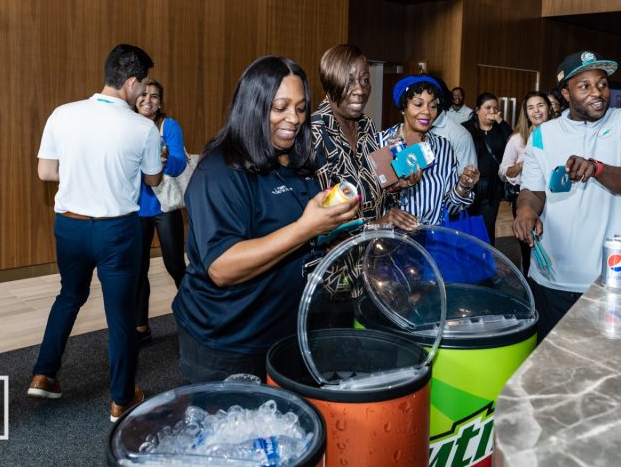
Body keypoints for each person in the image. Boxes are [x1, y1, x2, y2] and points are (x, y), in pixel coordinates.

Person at [172, 56, 358, 384]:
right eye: (280, 107)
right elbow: (222, 268)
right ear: (253, 107)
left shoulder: (295, 162)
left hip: (286, 331)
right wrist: (307, 227)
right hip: (230, 341)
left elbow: (296, 237)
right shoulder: (219, 172)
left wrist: (331, 226)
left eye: (301, 108)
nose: (294, 118)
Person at [30, 44, 162, 422]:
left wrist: (80, 170)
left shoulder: (63, 113)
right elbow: (152, 178)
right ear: (133, 81)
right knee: (120, 314)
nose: (143, 94)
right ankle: (121, 399)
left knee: (69, 295)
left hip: (69, 224)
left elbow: (46, 172)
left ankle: (44, 372)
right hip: (116, 230)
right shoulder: (142, 127)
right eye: (143, 86)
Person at [513, 51, 621, 340]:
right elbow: (532, 190)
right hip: (551, 275)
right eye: (585, 86)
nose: (597, 93)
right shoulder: (543, 134)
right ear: (565, 93)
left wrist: (597, 168)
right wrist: (526, 212)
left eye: (602, 84)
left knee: (604, 365)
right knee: (550, 362)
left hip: (612, 275)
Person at [310, 44, 418, 326]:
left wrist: (397, 185)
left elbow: (377, 187)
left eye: (365, 79)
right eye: (349, 81)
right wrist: (377, 223)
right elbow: (316, 225)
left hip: (372, 272)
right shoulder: (312, 135)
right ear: (330, 80)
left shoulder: (368, 126)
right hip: (333, 281)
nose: (360, 89)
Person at [378, 75, 479, 225]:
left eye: (433, 106)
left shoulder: (444, 148)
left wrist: (463, 186)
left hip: (430, 240)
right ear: (403, 108)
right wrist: (397, 187)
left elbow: (451, 207)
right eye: (418, 104)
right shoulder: (381, 142)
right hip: (390, 240)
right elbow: (368, 201)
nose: (427, 112)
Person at [133, 79, 187, 345]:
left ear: (160, 102)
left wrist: (165, 161)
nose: (148, 99)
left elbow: (179, 164)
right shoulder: (125, 125)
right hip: (133, 208)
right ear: (134, 97)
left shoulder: (169, 126)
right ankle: (141, 327)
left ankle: (195, 317)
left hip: (163, 205)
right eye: (143, 94)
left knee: (175, 265)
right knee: (137, 269)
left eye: (154, 96)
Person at [499, 91, 551, 274]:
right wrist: (524, 163)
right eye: (531, 107)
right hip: (525, 199)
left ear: (549, 108)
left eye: (540, 105)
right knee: (528, 245)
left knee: (551, 241)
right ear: (526, 113)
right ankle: (530, 283)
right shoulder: (517, 139)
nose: (536, 111)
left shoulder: (558, 135)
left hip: (553, 200)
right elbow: (503, 172)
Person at [462, 92, 513, 245]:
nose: (492, 111)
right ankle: (469, 260)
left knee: (487, 227)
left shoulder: (500, 129)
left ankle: (488, 262)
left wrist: (501, 121)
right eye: (488, 107)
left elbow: (513, 142)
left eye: (495, 108)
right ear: (477, 110)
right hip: (471, 185)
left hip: (493, 186)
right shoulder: (467, 129)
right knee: (468, 226)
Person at [429, 78, 478, 176]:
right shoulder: (406, 132)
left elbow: (468, 179)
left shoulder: (460, 135)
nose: (423, 111)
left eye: (430, 104)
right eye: (418, 104)